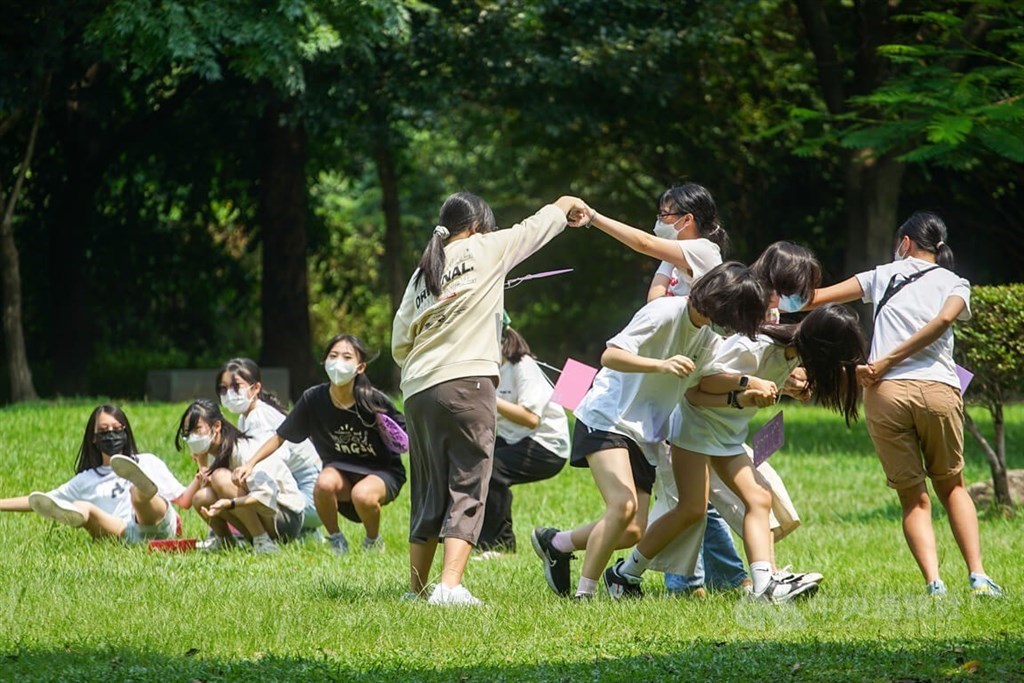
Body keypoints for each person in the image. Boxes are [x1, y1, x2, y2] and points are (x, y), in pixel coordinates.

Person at [392, 191, 591, 606]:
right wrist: (564, 203)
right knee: (469, 480)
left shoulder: (422, 271)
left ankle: (416, 591)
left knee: (428, 488)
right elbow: (535, 230)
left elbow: (399, 342)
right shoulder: (487, 247)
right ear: (480, 224)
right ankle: (449, 586)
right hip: (466, 380)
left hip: (416, 388)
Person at [531, 262, 769, 600]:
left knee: (631, 530)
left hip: (646, 434)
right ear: (723, 304)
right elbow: (611, 355)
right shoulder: (664, 312)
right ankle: (585, 595)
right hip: (608, 417)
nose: (734, 329)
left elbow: (700, 384)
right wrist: (660, 364)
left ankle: (557, 543)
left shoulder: (708, 337)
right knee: (623, 506)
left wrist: (747, 386)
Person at [603, 304, 866, 602]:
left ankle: (763, 585)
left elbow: (770, 379)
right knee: (692, 510)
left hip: (726, 436)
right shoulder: (755, 347)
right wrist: (746, 391)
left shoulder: (790, 355)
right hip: (695, 428)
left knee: (759, 498)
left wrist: (789, 388)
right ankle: (624, 574)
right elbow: (699, 385)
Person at [808, 211, 1002, 597]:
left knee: (912, 497)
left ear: (906, 243)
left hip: (886, 393)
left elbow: (816, 299)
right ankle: (978, 576)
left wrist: (774, 300)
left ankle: (934, 583)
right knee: (953, 486)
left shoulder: (883, 275)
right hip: (938, 390)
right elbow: (944, 321)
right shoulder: (956, 283)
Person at [232, 335, 407, 555]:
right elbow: (280, 436)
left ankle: (373, 541)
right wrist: (250, 463)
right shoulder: (313, 399)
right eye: (333, 356)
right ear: (325, 362)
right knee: (323, 483)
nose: (338, 362)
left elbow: (407, 433)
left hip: (381, 472)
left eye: (346, 357)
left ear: (360, 367)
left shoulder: (373, 400)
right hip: (340, 470)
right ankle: (336, 541)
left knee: (363, 495)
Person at [0, 404, 186, 543]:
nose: (111, 434)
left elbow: (183, 498)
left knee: (138, 494)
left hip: (160, 524)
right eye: (104, 431)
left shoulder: (147, 461)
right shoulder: (86, 479)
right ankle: (75, 516)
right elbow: (43, 500)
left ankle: (141, 487)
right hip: (124, 533)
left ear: (125, 432)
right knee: (84, 507)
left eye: (116, 429)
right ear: (94, 438)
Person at [476, 319, 571, 554]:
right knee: (473, 464)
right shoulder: (492, 368)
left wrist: (490, 399)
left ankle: (500, 545)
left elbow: (531, 418)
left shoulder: (523, 366)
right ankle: (472, 539)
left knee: (493, 471)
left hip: (547, 445)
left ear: (500, 340)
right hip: (514, 438)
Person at [177, 400, 304, 554]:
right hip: (263, 512)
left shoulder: (242, 450)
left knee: (220, 477)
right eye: (188, 432)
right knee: (201, 497)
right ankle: (225, 540)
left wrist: (231, 503)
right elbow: (192, 499)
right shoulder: (210, 452)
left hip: (285, 517)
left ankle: (263, 541)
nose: (192, 437)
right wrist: (202, 465)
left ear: (216, 426)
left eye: (197, 430)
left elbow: (266, 494)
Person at [217, 358, 322, 531]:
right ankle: (307, 532)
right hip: (303, 492)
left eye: (236, 386)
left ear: (256, 388)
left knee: (245, 482)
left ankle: (292, 529)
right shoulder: (247, 416)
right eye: (223, 388)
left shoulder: (259, 417)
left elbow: (275, 462)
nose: (229, 393)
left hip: (312, 500)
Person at [582, 182, 729, 301]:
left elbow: (644, 243)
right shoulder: (674, 258)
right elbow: (654, 302)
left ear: (687, 219)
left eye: (664, 214)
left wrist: (593, 217)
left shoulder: (703, 250)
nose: (659, 221)